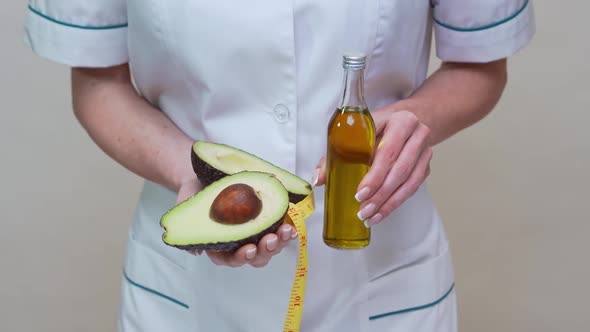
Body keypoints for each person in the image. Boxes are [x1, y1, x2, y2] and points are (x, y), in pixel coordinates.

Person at [23, 1, 535, 331]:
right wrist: (191, 177)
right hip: (187, 294)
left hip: (379, 275)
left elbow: (480, 63)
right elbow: (97, 82)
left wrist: (410, 121)